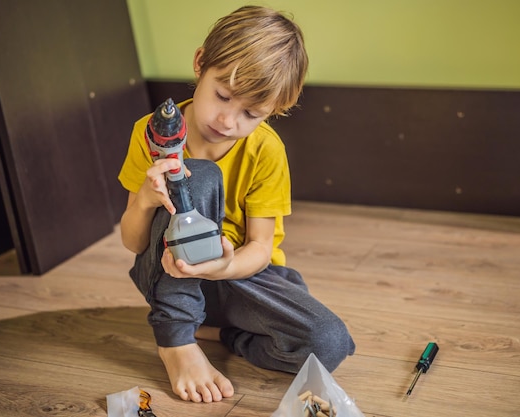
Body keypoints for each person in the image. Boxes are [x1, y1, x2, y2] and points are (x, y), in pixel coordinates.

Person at [118, 5, 355, 404]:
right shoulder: (153, 132)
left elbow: (261, 249)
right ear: (199, 64)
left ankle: (218, 332)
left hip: (231, 278)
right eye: (223, 96)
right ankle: (176, 338)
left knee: (329, 343)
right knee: (203, 174)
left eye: (251, 113)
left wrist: (226, 266)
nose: (229, 121)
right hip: (167, 271)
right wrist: (145, 198)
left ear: (273, 112)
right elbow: (132, 243)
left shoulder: (266, 151)